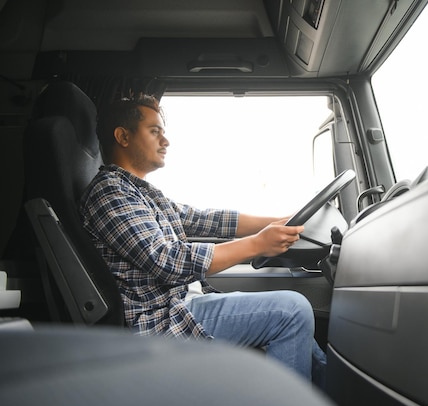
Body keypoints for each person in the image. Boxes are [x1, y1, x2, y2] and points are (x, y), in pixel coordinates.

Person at [79, 94, 326, 385]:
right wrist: (258, 244)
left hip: (185, 303)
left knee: (297, 322)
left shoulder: (143, 193)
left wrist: (281, 221)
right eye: (154, 131)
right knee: (291, 311)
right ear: (122, 136)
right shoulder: (110, 192)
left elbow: (206, 219)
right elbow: (166, 260)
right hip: (162, 322)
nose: (166, 141)